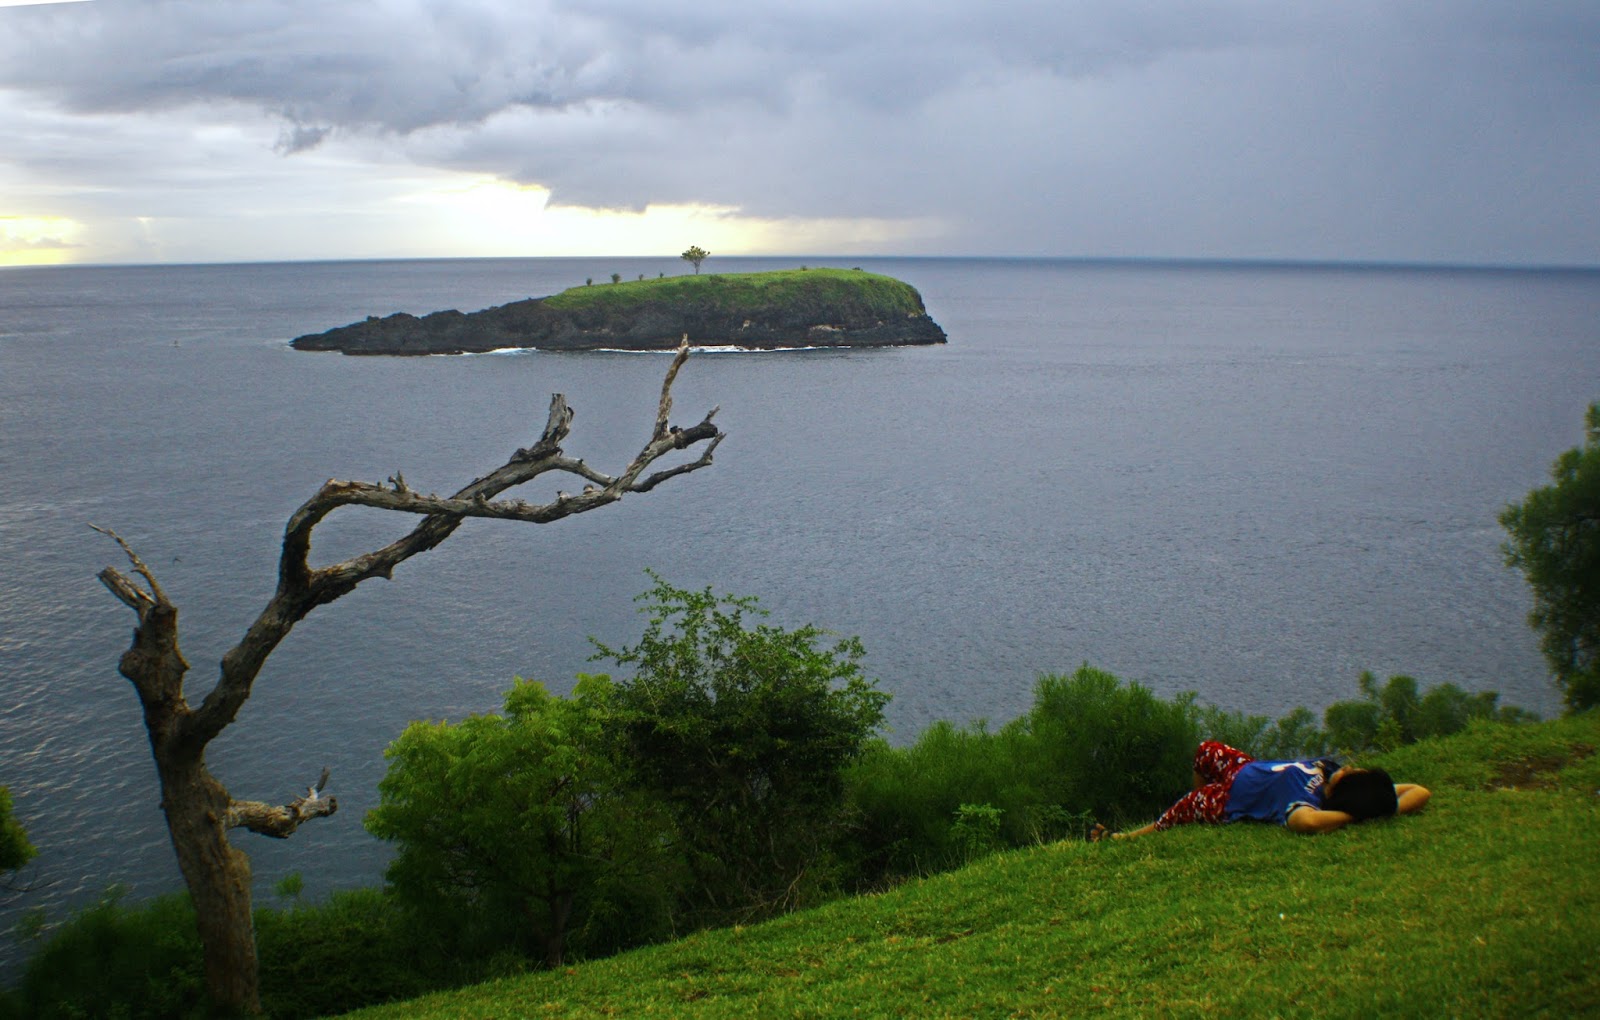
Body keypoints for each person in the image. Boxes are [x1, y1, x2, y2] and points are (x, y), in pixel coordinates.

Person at [1088, 740, 1431, 841]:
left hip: (1233, 800)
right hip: (1244, 769)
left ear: (1349, 794)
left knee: (1188, 804)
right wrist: (1387, 807)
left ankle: (1125, 838)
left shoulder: (1308, 803)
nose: (1350, 767)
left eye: (1353, 774)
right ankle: (1200, 803)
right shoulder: (1327, 773)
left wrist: (1355, 815)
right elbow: (1420, 791)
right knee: (1206, 749)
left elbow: (1305, 824)